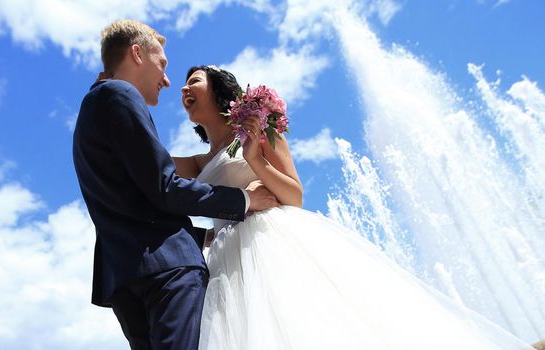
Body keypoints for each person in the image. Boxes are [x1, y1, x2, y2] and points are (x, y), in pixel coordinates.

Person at [174, 65, 535, 349]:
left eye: (194, 81)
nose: (184, 89)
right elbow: (142, 159)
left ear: (218, 87)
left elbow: (295, 196)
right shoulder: (196, 162)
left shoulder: (258, 128)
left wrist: (256, 159)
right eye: (182, 85)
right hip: (225, 261)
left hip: (270, 244)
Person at [72, 21, 279, 350]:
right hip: (166, 270)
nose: (167, 81)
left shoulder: (91, 108)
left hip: (125, 275)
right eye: (163, 64)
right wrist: (245, 200)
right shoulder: (121, 94)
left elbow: (133, 199)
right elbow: (164, 186)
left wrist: (204, 236)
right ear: (137, 54)